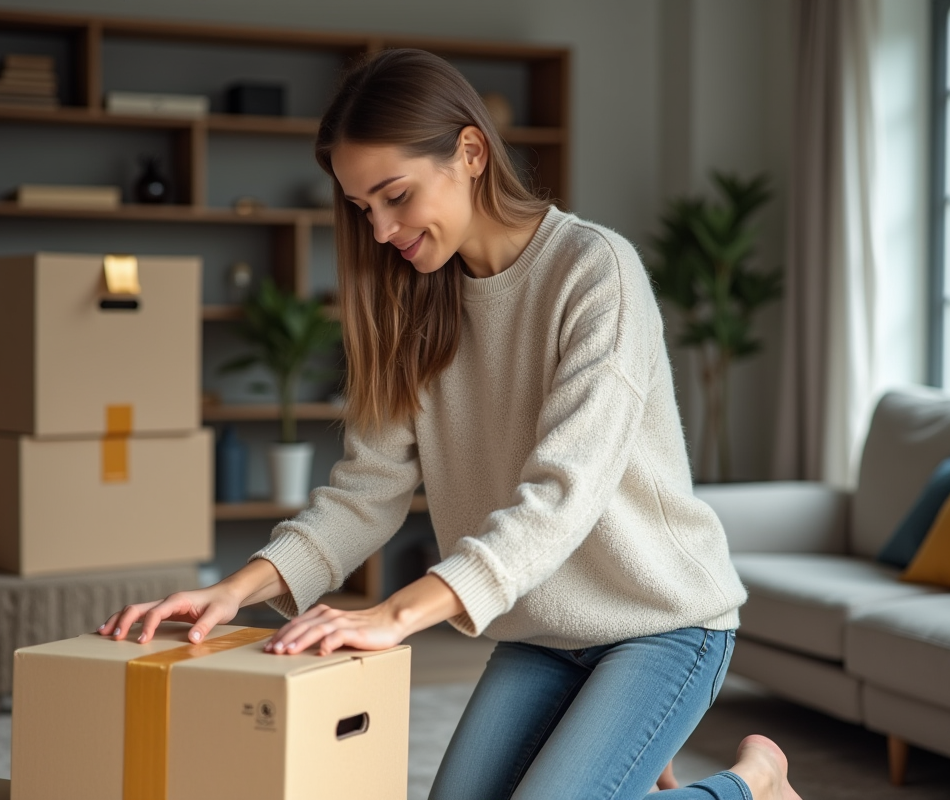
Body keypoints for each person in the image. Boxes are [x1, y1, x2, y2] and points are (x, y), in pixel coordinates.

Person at [99, 48, 800, 800]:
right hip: (540, 635)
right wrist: (232, 592)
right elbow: (362, 495)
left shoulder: (596, 272)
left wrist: (395, 614)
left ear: (469, 151)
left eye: (394, 196)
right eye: (363, 208)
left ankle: (755, 785)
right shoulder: (412, 306)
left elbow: (564, 494)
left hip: (660, 622)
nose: (379, 230)